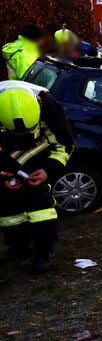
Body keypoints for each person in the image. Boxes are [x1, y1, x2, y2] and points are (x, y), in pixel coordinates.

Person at [0, 83, 73, 274]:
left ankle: (44, 252)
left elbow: (65, 144)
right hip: (6, 171)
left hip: (38, 168)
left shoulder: (48, 106)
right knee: (9, 215)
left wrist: (49, 170)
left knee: (41, 212)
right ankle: (18, 248)